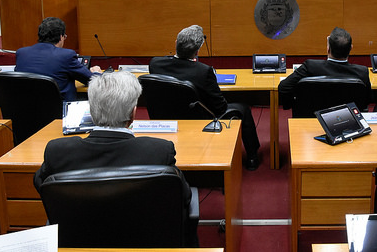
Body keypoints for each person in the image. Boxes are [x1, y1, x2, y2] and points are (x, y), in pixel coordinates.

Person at [33, 71, 183, 191]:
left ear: (91, 112)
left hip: (79, 228)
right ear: (133, 114)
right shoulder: (160, 151)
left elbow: (42, 186)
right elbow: (183, 196)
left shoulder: (57, 152)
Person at [149, 25, 261, 170]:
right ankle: (252, 157)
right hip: (198, 120)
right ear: (196, 51)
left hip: (165, 117)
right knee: (243, 109)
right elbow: (220, 108)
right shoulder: (203, 71)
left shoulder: (155, 64)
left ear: (176, 42)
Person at [278, 27, 372, 110]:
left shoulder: (310, 67)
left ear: (328, 49)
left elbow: (283, 87)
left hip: (312, 119)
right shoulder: (362, 72)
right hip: (348, 123)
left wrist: (296, 104)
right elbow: (366, 100)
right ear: (351, 48)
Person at [15, 17, 102, 101]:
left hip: (26, 111)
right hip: (60, 113)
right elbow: (92, 80)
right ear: (61, 36)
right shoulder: (66, 55)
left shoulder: (21, 53)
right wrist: (96, 73)